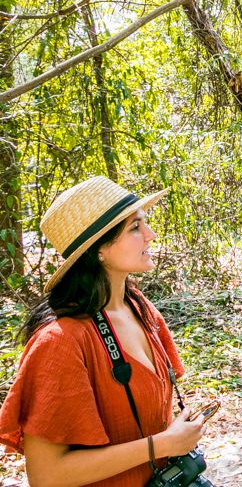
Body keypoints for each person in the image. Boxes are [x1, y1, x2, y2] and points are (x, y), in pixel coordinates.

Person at [0, 177, 206, 486]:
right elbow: (45, 475)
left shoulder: (139, 307)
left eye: (145, 223)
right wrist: (162, 445)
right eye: (135, 227)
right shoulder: (60, 341)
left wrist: (177, 435)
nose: (150, 235)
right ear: (98, 249)